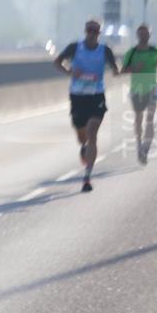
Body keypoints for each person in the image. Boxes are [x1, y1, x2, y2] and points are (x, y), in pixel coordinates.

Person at [53, 19, 120, 192]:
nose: (91, 33)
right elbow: (57, 62)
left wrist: (117, 69)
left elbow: (115, 68)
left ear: (99, 33)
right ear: (85, 31)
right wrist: (70, 71)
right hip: (77, 96)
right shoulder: (75, 48)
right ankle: (84, 147)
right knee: (82, 135)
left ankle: (87, 177)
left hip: (96, 95)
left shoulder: (105, 50)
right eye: (89, 30)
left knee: (92, 133)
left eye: (95, 30)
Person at [120, 24, 157, 165]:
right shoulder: (132, 52)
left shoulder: (154, 50)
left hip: (152, 88)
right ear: (137, 35)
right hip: (136, 90)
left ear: (150, 35)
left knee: (150, 119)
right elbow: (122, 70)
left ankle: (145, 148)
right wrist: (134, 68)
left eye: (145, 34)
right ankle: (139, 144)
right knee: (138, 119)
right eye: (141, 34)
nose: (143, 36)